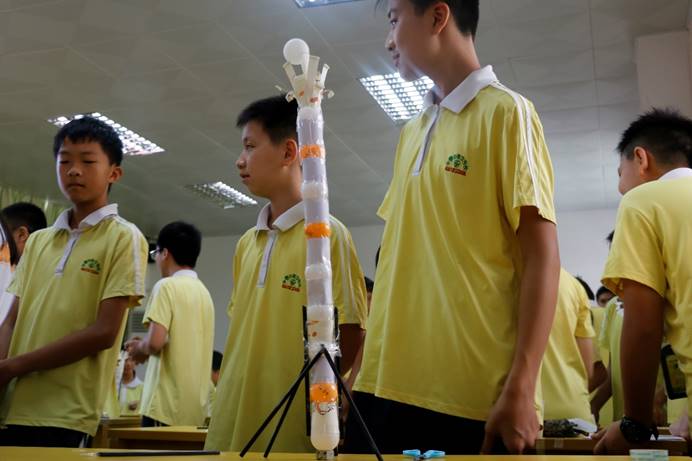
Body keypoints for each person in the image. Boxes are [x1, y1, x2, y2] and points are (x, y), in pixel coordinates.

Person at [345, 0, 559, 454]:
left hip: (471, 396)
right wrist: (360, 370)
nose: (388, 39)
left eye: (394, 20)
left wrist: (522, 386)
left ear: (438, 17)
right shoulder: (412, 131)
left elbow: (542, 257)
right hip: (383, 386)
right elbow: (395, 263)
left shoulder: (507, 112)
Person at [204, 95, 367, 453]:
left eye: (250, 146)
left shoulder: (328, 235)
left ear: (289, 151)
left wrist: (316, 399)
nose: (240, 160)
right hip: (231, 420)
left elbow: (351, 333)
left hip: (290, 430)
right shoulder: (246, 244)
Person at [0, 116, 148, 447]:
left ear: (114, 173)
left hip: (66, 411)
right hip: (12, 405)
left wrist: (13, 367)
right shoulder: (38, 241)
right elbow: (11, 320)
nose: (74, 170)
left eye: (88, 161)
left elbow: (104, 332)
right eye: (64, 161)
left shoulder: (124, 237)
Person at [593, 109, 692, 453]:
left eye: (620, 174)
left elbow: (643, 324)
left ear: (641, 158)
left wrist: (634, 422)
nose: (621, 188)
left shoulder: (643, 201)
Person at [127, 221, 215, 427]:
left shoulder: (166, 286)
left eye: (155, 253)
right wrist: (146, 345)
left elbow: (155, 343)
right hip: (194, 408)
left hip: (164, 406)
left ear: (165, 253)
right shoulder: (204, 293)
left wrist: (139, 348)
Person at [541, 269, 595, 423]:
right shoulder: (574, 285)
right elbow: (588, 370)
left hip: (517, 410)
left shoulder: (498, 272)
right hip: (573, 409)